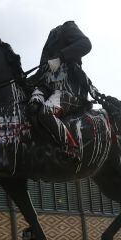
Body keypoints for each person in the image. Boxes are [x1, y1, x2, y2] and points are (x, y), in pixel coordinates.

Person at [28, 20, 92, 158]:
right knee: (31, 106)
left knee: (46, 112)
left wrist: (61, 56)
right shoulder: (50, 37)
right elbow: (43, 71)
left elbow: (86, 44)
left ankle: (71, 147)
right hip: (47, 89)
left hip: (68, 90)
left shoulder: (67, 27)